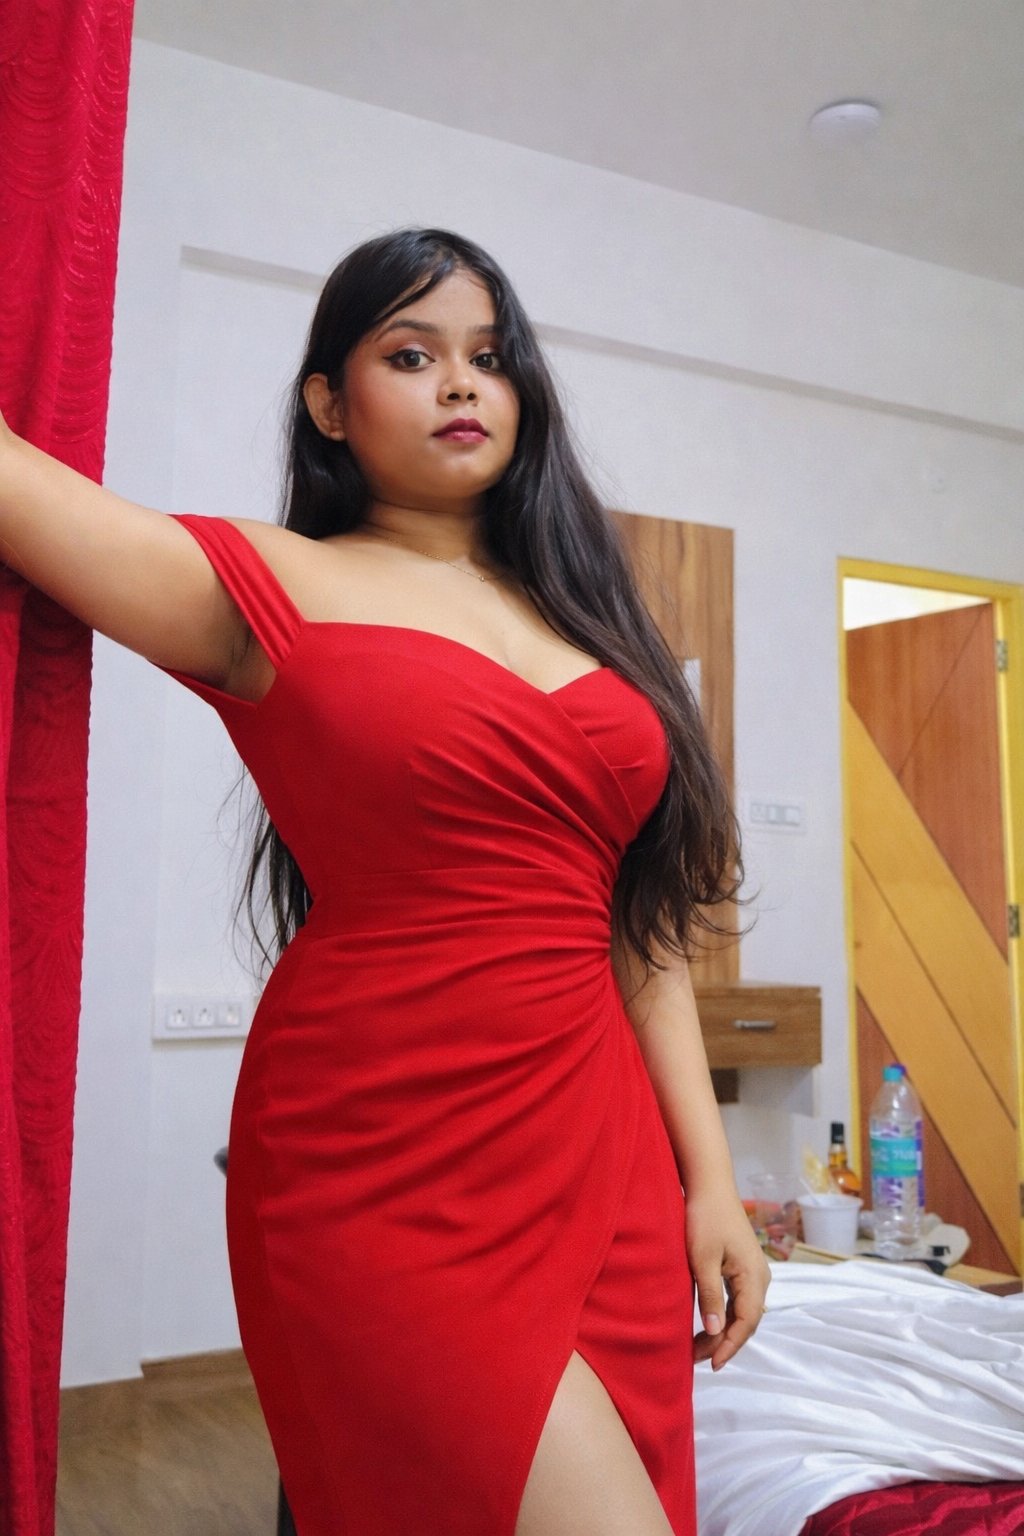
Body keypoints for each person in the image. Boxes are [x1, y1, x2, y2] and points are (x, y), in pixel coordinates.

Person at [0, 227, 769, 1535]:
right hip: (381, 1158)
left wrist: (710, 1181)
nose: (461, 383)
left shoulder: (594, 619)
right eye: (411, 356)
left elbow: (639, 933)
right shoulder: (268, 584)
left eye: (490, 358)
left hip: (607, 1160)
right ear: (329, 404)